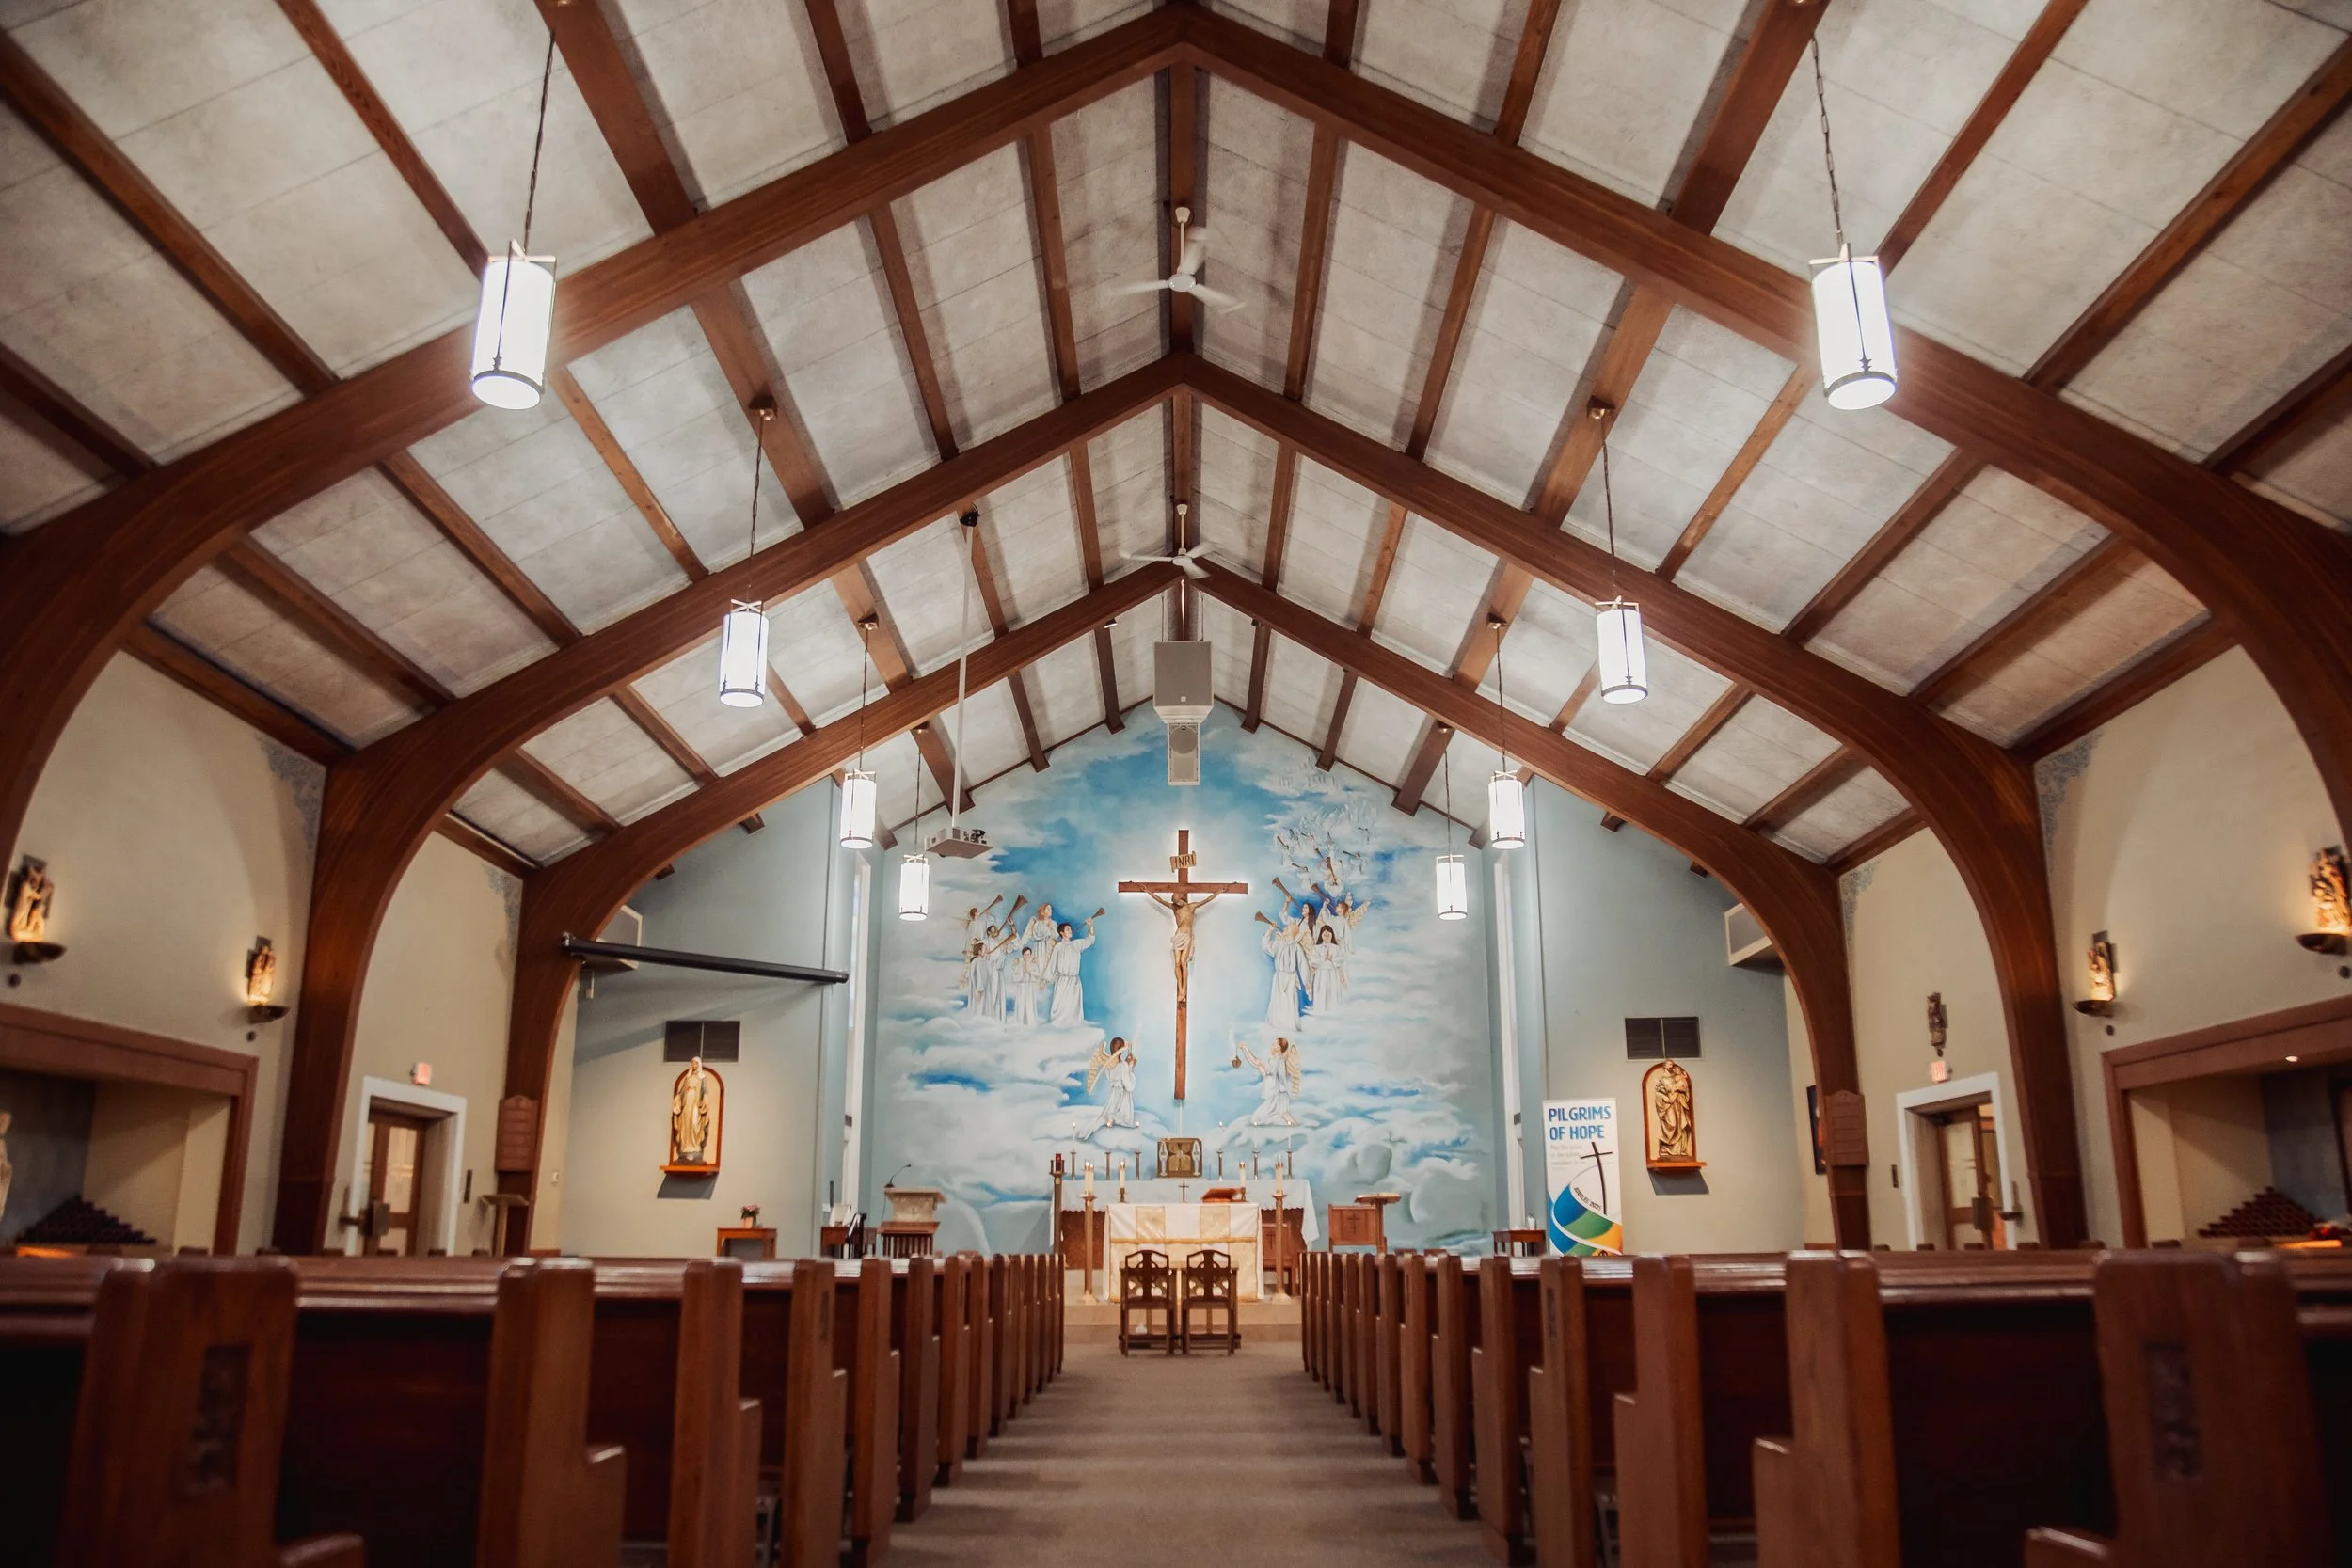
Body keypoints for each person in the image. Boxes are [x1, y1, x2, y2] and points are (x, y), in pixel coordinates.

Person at [1047, 916, 1097, 1025]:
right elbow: (1052, 964)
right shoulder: (1058, 947)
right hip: (1062, 981)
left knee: (1073, 1006)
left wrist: (1091, 926)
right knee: (1060, 1006)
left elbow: (1090, 940)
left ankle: (1073, 1028)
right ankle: (1058, 1027)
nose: (1070, 931)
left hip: (1074, 981)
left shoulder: (1076, 944)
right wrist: (1046, 979)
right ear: (1062, 933)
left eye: (1070, 929)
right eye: (1067, 929)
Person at [1240, 1037, 1300, 1126]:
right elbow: (1256, 1063)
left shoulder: (1279, 1061)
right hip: (1276, 1096)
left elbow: (1280, 1079)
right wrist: (1245, 1049)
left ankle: (1291, 1125)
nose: (1272, 1046)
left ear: (1279, 1048)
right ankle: (1290, 1124)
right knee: (1258, 1118)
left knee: (1261, 1118)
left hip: (1278, 1097)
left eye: (1274, 1044)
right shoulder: (1274, 1060)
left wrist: (1245, 1049)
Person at [1261, 911, 1306, 1030]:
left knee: (1290, 1001)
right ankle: (1277, 1024)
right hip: (1279, 977)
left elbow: (1303, 964)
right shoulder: (1278, 944)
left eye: (1287, 928)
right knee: (1278, 1000)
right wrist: (1270, 931)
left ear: (1292, 932)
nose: (1284, 929)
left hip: (1291, 978)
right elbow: (1266, 947)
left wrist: (1307, 982)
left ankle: (1289, 1025)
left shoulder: (1296, 947)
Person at [1086, 1037, 1138, 1132]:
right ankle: (1114, 1118)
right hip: (1123, 1096)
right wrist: (1130, 1067)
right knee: (1124, 1117)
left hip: (1113, 1094)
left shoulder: (1108, 1065)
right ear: (1121, 1051)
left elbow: (1112, 1077)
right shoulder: (1123, 1065)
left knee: (1111, 1111)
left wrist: (1126, 1065)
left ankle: (1111, 1119)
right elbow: (1129, 1086)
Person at [1308, 925, 1344, 1013]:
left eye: (1329, 935)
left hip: (1333, 974)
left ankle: (1334, 1013)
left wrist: (1332, 959)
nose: (1327, 937)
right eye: (1325, 935)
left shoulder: (1336, 948)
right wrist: (1324, 958)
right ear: (1321, 936)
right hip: (1321, 974)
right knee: (1321, 993)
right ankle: (1320, 1012)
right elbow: (1313, 960)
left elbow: (1341, 960)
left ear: (1332, 936)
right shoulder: (1317, 948)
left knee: (1332, 993)